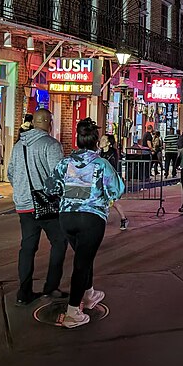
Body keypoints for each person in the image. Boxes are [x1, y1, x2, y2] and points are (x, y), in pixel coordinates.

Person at [45, 118, 124, 328]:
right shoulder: (101, 164)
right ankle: (72, 312)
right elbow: (117, 189)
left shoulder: (65, 163)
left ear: (78, 140)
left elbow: (50, 188)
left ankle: (88, 294)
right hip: (91, 218)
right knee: (81, 263)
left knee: (84, 256)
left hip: (67, 217)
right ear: (96, 142)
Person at [7, 109, 69, 305]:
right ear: (48, 122)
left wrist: (22, 190)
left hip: (24, 204)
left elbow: (10, 173)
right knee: (59, 242)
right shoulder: (51, 145)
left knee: (27, 247)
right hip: (47, 205)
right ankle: (51, 287)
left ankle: (23, 293)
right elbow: (58, 176)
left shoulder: (18, 146)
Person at [99, 134, 129, 231]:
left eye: (104, 140)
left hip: (109, 182)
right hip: (101, 180)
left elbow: (112, 169)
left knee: (113, 202)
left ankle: (124, 218)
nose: (101, 141)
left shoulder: (112, 154)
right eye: (101, 139)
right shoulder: (100, 153)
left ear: (108, 143)